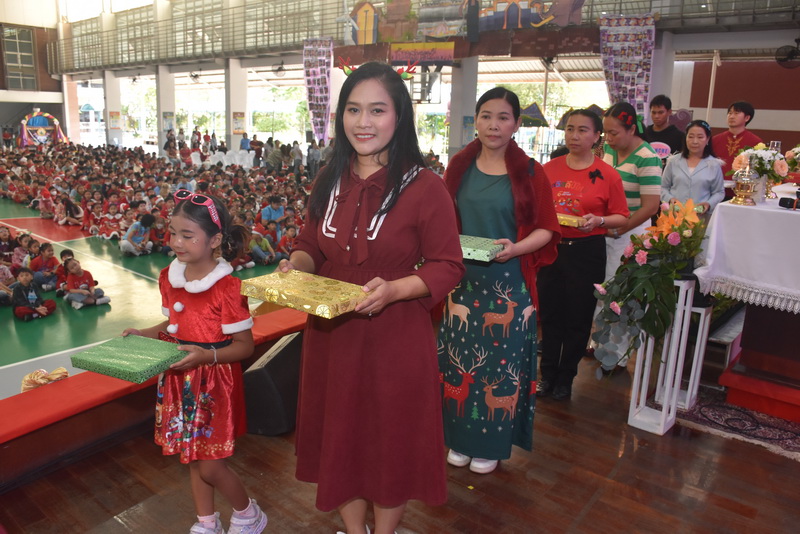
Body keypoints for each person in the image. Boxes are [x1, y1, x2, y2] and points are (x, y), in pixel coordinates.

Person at [278, 61, 464, 534]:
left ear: (399, 116)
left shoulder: (426, 187)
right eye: (353, 109)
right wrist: (295, 267)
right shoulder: (328, 178)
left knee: (389, 441)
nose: (364, 122)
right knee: (340, 435)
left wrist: (396, 289)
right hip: (332, 334)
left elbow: (447, 265)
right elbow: (310, 244)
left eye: (377, 110)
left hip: (395, 334)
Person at [122, 189, 267, 534]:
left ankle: (248, 513)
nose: (176, 242)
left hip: (214, 384)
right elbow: (172, 326)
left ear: (215, 240)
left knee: (211, 466)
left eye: (188, 235)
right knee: (193, 457)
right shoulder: (169, 277)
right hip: (179, 379)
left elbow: (244, 346)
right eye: (173, 233)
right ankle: (207, 522)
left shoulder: (228, 288)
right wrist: (143, 333)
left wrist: (206, 355)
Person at [437, 86, 560, 475]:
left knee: (498, 368)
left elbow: (547, 229)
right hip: (462, 282)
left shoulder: (530, 172)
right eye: (486, 116)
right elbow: (442, 221)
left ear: (516, 124)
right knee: (457, 365)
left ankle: (489, 445)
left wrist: (516, 248)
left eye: (503, 117)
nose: (493, 125)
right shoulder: (459, 167)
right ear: (476, 121)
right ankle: (459, 439)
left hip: (508, 280)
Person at [537, 110, 629, 400]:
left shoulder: (608, 175)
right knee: (550, 315)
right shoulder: (548, 169)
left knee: (577, 318)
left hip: (587, 251)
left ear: (597, 136)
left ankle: (566, 378)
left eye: (582, 130)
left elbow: (621, 216)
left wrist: (599, 220)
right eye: (569, 129)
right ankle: (547, 375)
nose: (574, 136)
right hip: (552, 248)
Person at [601, 102, 662, 281]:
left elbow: (651, 207)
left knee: (616, 283)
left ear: (632, 130)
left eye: (613, 133)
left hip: (631, 230)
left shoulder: (647, 158)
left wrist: (621, 228)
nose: (608, 138)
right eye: (605, 133)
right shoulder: (609, 148)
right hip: (607, 226)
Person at [661, 119, 725, 214]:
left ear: (707, 139)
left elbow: (719, 192)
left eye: (700, 137)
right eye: (690, 137)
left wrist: (708, 204)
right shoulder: (673, 161)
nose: (695, 141)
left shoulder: (714, 164)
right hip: (674, 215)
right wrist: (670, 199)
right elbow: (663, 187)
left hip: (701, 217)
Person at [711, 101, 763, 179]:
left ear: (747, 118)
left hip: (742, 184)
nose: (731, 116)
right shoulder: (715, 140)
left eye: (736, 113)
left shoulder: (755, 142)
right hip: (716, 183)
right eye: (730, 113)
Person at [642, 94, 684, 159]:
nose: (656, 116)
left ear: (669, 112)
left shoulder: (679, 136)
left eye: (660, 112)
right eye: (653, 112)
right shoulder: (644, 134)